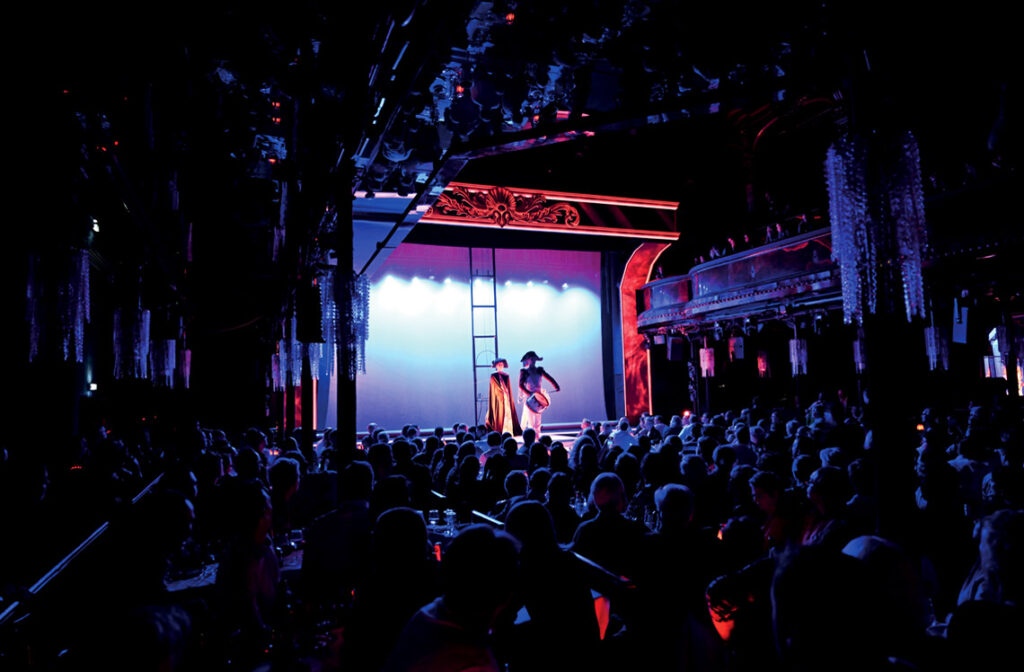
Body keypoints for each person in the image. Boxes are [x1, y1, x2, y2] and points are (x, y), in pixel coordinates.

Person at [518, 351, 560, 436]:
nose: (533, 361)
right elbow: (521, 385)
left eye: (534, 359)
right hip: (529, 397)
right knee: (530, 420)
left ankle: (537, 435)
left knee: (538, 419)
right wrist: (529, 393)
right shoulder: (524, 372)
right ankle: (531, 437)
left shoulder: (540, 370)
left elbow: (549, 378)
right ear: (528, 360)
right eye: (531, 359)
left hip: (539, 397)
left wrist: (556, 386)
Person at [486, 358, 522, 436]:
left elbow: (508, 388)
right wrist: (500, 394)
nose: (501, 366)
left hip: (506, 397)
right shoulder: (493, 376)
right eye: (499, 365)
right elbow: (494, 388)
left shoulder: (506, 376)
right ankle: (499, 430)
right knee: (500, 413)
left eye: (502, 365)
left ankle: (508, 430)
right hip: (498, 398)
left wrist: (507, 395)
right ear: (496, 366)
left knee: (507, 413)